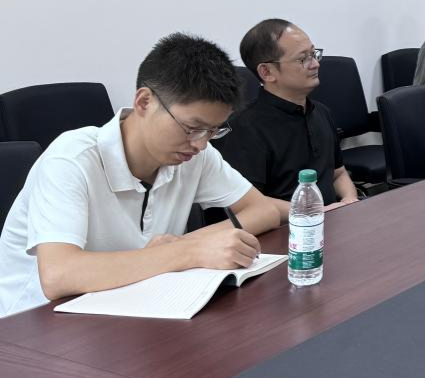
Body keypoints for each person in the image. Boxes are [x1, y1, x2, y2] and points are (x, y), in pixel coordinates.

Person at [0, 33, 281, 318]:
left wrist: (185, 245)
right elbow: (58, 275)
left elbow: (263, 210)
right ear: (144, 102)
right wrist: (189, 251)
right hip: (32, 323)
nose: (200, 143)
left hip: (123, 305)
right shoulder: (71, 159)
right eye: (192, 128)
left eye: (213, 131)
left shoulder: (195, 155)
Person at [215, 19, 358, 222]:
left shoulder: (321, 112)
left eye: (314, 54)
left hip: (331, 220)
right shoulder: (243, 128)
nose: (315, 64)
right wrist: (317, 213)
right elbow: (247, 203)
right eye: (303, 59)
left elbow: (338, 173)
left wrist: (350, 200)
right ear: (267, 72)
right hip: (281, 230)